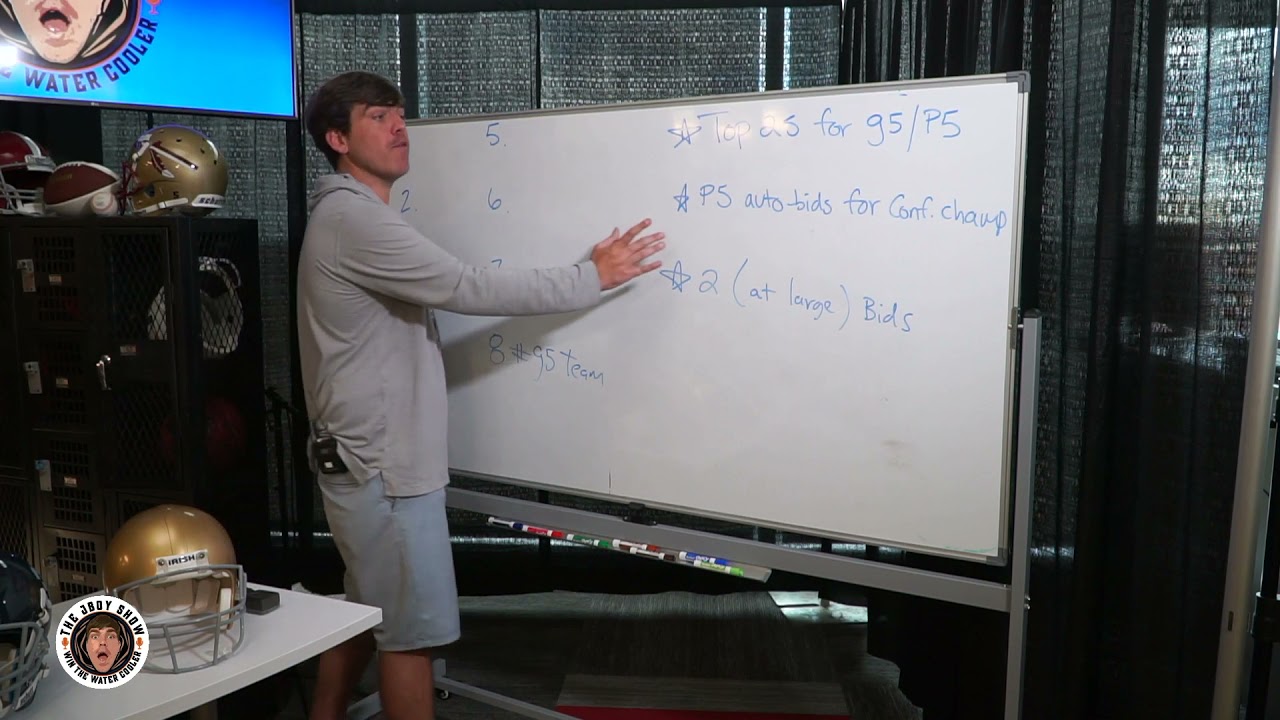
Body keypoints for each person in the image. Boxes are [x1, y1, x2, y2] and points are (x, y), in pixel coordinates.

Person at [296, 70, 666, 720]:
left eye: (399, 113)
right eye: (378, 117)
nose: (399, 127)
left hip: (364, 460)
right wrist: (591, 275)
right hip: (383, 467)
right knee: (410, 635)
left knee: (369, 604)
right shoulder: (354, 220)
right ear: (338, 139)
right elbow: (467, 286)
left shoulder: (348, 215)